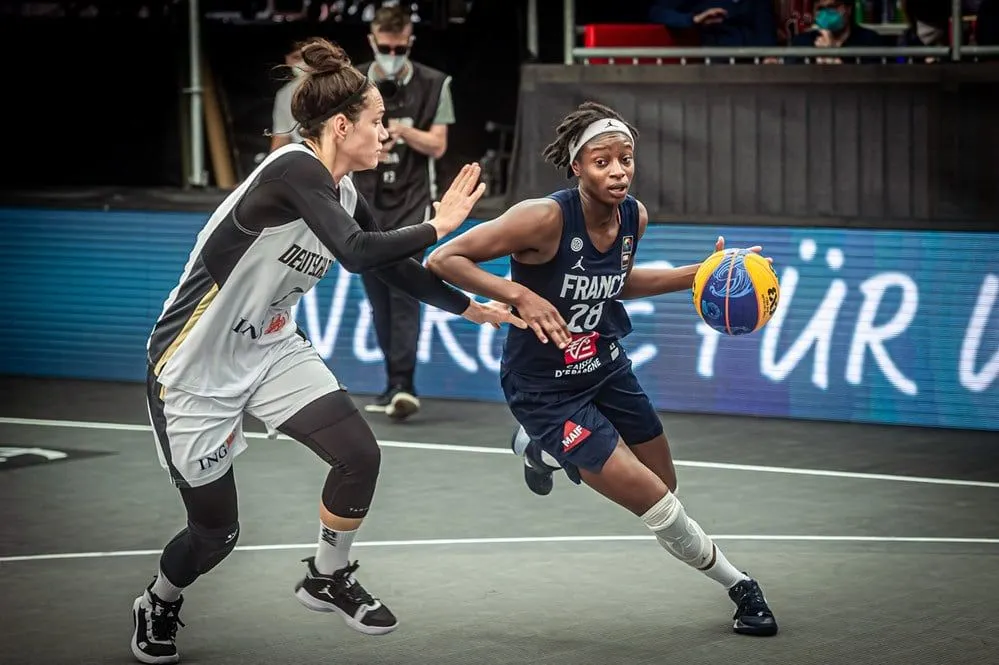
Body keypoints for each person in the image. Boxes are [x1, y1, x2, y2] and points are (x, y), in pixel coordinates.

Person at [130, 38, 522, 665]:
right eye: (377, 122)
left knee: (359, 455)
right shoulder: (292, 170)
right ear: (342, 126)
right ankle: (160, 599)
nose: (387, 135)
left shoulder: (339, 190)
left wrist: (465, 305)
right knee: (215, 534)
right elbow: (357, 253)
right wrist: (440, 225)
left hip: (272, 346)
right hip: (193, 362)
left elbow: (388, 265)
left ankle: (325, 575)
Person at [426, 101, 779, 637]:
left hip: (605, 366)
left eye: (625, 159)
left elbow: (620, 281)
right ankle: (741, 586)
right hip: (545, 389)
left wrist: (702, 273)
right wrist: (520, 293)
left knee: (664, 482)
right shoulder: (542, 217)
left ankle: (539, 448)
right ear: (576, 166)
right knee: (657, 505)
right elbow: (444, 259)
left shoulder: (633, 216)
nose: (617, 171)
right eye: (602, 161)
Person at [351, 4, 457, 421]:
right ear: (372, 41)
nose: (391, 52)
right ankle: (394, 381)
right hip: (366, 205)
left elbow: (439, 144)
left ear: (410, 42)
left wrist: (402, 131)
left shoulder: (435, 83)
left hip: (413, 204)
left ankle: (404, 384)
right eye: (384, 46)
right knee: (379, 300)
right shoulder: (354, 81)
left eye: (399, 46)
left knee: (406, 293)